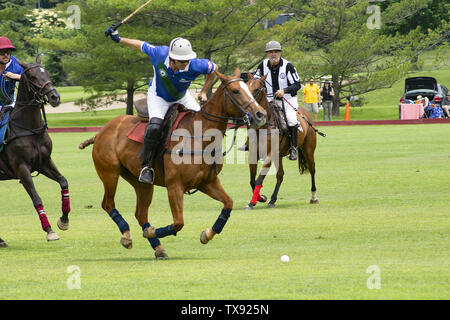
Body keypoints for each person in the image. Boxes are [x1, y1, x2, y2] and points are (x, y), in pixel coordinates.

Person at [105, 26, 217, 184]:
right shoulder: (159, 54)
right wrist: (118, 38)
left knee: (203, 123)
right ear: (171, 58)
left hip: (182, 96)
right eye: (182, 61)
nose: (186, 64)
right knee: (155, 126)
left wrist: (204, 91)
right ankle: (147, 167)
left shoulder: (197, 64)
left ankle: (206, 159)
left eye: (187, 60)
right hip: (159, 97)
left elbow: (214, 70)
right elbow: (140, 45)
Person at [253, 40, 302, 161]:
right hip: (269, 100)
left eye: (276, 52)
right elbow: (256, 81)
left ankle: (293, 148)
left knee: (291, 120)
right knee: (254, 116)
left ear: (280, 53)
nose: (273, 54)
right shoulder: (262, 65)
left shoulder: (288, 66)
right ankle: (252, 144)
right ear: (267, 54)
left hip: (287, 99)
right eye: (270, 52)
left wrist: (284, 90)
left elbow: (297, 85)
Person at [0, 36, 23, 116]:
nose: (6, 55)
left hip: (8, 106)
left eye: (8, 52)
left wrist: (16, 77)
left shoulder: (16, 65)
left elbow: (30, 79)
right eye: (2, 52)